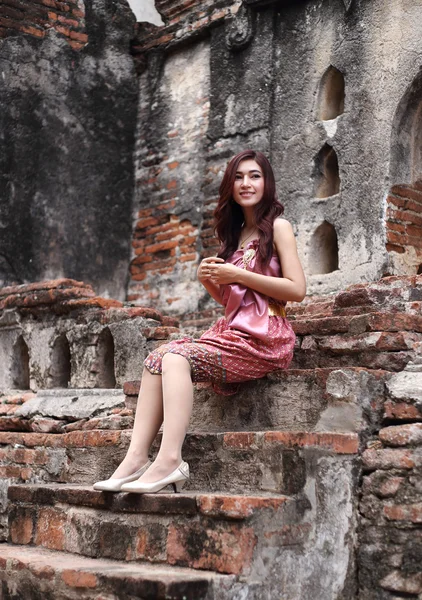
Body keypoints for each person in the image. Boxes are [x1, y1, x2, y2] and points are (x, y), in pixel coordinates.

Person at [93, 149, 306, 494]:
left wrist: (236, 273)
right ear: (229, 185)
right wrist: (210, 280)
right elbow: (236, 303)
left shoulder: (279, 228)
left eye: (254, 175)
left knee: (178, 357)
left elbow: (296, 290)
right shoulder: (234, 236)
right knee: (157, 358)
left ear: (267, 183)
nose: (246, 183)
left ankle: (171, 460)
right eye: (238, 177)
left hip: (266, 338)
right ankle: (134, 459)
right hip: (235, 331)